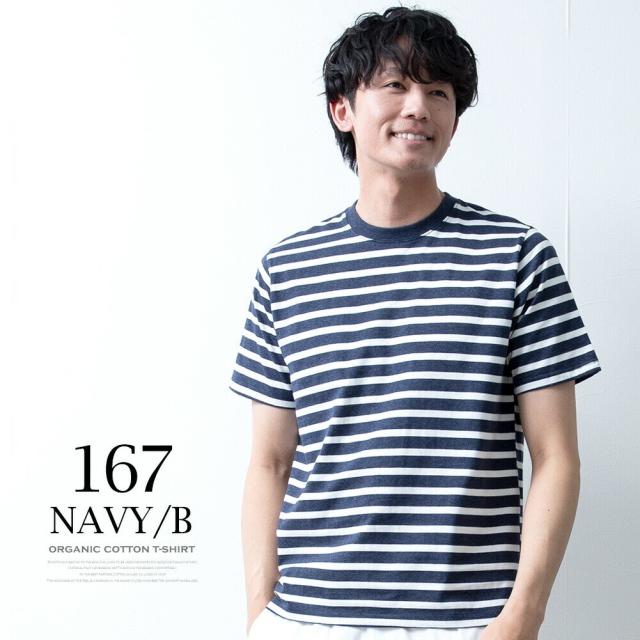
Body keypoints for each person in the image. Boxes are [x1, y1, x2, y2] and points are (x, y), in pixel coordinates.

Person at [229, 6, 602, 640]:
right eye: (395, 85)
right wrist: (260, 614)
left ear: (455, 119)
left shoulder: (517, 257)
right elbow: (269, 461)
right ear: (343, 110)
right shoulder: (287, 268)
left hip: (468, 623)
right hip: (307, 619)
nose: (418, 107)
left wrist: (522, 618)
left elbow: (556, 456)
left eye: (438, 92)